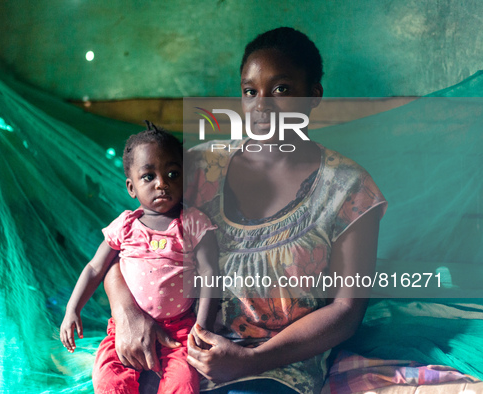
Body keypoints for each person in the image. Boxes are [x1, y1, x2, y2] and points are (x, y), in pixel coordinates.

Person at [103, 27, 387, 394]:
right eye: (250, 91)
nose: (262, 105)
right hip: (176, 351)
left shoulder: (349, 188)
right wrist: (128, 313)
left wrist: (253, 360)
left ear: (314, 95)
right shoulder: (197, 168)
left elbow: (347, 311)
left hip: (275, 366)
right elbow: (123, 251)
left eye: (281, 89)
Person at [60, 122, 219, 394]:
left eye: (173, 173)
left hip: (179, 332)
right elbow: (95, 267)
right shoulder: (125, 226)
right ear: (131, 187)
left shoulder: (192, 223)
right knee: (108, 380)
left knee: (184, 383)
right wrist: (71, 309)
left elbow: (211, 278)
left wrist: (201, 331)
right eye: (149, 177)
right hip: (122, 328)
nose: (162, 183)